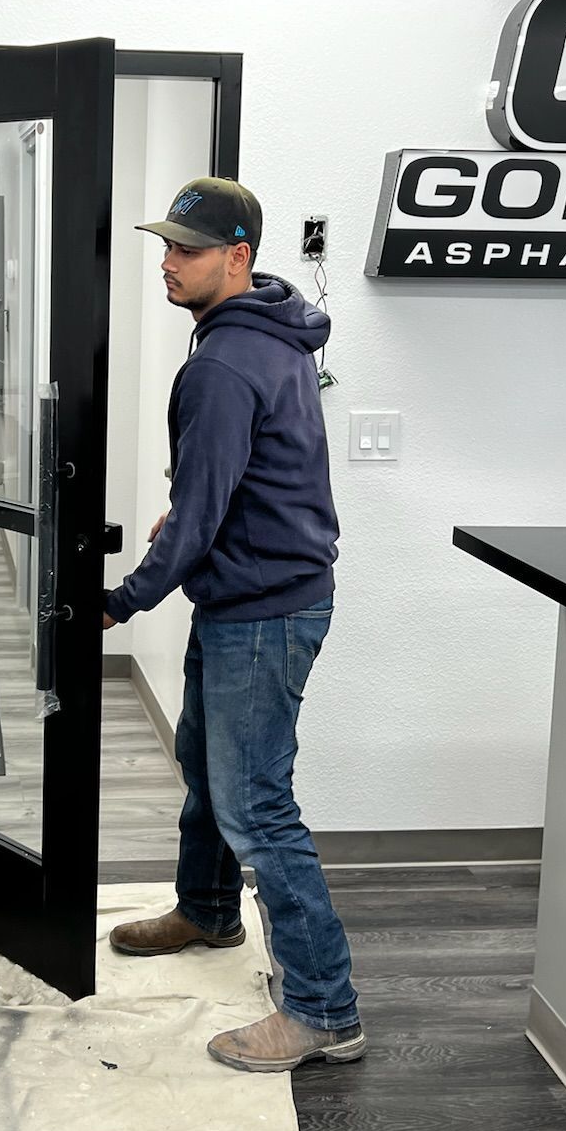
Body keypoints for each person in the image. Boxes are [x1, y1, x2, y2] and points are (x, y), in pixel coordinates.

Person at [101, 176, 364, 1074]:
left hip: (264, 608)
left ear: (238, 257)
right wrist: (187, 529)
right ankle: (207, 910)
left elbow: (203, 507)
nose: (167, 264)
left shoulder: (220, 362)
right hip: (258, 592)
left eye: (187, 250)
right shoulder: (263, 334)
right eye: (166, 246)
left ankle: (325, 1009)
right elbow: (226, 490)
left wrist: (124, 597)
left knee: (257, 805)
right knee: (208, 770)